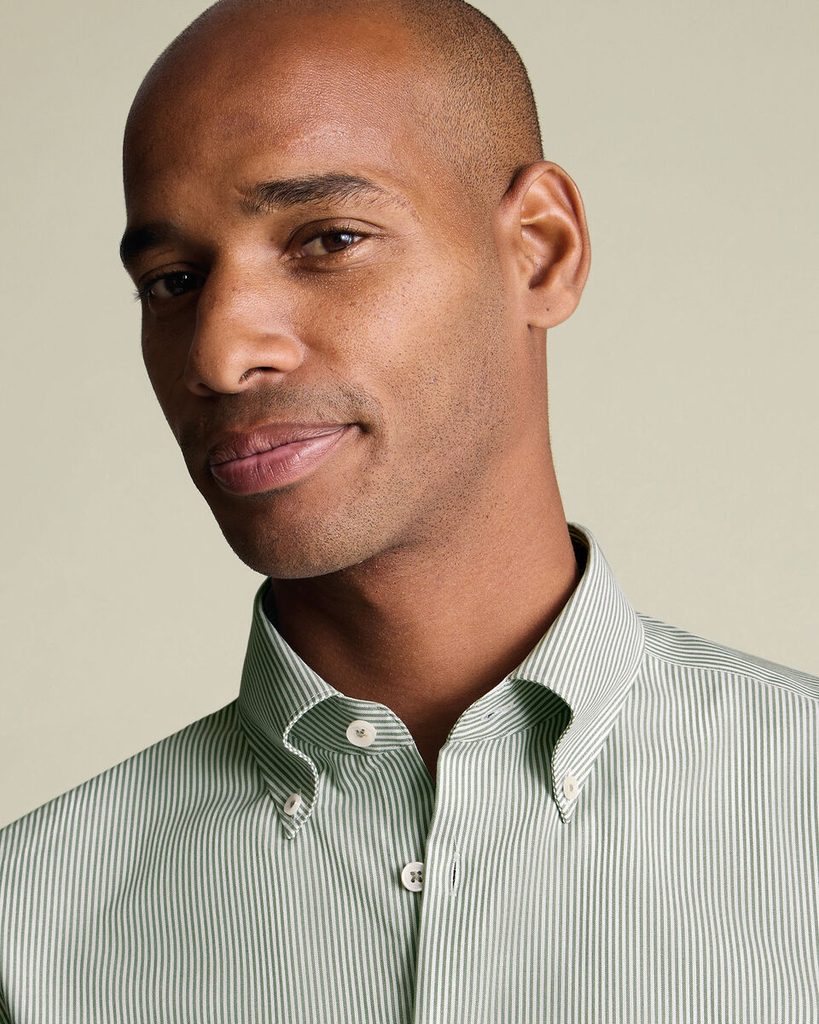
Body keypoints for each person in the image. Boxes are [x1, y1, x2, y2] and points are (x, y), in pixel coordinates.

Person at [0, 0, 816, 1019]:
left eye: (329, 239)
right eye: (172, 282)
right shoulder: (27, 932)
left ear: (542, 250)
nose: (219, 352)